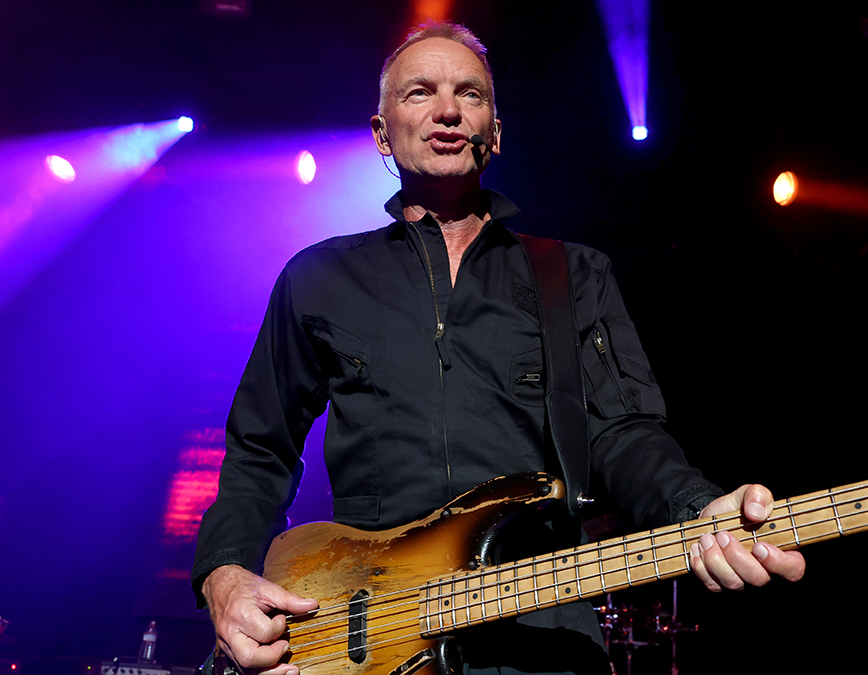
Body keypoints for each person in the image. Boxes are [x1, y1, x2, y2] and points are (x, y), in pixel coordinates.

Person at [193, 20, 804, 675]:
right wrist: (224, 577)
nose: (449, 110)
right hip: (368, 637)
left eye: (471, 94)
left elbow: (624, 433)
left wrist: (696, 508)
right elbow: (259, 450)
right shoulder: (318, 279)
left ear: (496, 132)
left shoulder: (573, 274)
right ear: (380, 133)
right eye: (420, 92)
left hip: (542, 637)